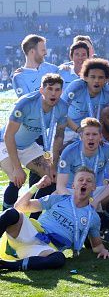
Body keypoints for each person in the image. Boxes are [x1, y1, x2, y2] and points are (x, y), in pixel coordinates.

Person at [0, 168, 109, 271]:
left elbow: (96, 245)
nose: (84, 182)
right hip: (31, 232)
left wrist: (102, 250)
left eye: (89, 181)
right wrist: (37, 186)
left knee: (58, 258)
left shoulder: (93, 217)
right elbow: (20, 206)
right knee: (12, 213)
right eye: (80, 180)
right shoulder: (58, 199)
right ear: (73, 185)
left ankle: (6, 265)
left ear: (94, 187)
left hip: (46, 249)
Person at [0, 74, 69, 210]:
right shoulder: (26, 103)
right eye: (49, 89)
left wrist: (54, 164)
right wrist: (18, 168)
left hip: (28, 146)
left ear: (61, 91)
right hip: (5, 143)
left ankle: (33, 220)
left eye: (57, 90)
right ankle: (6, 216)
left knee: (52, 178)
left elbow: (59, 136)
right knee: (17, 179)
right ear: (41, 90)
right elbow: (9, 135)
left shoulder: (62, 106)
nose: (53, 93)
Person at [56, 117, 109, 242]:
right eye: (87, 134)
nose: (91, 138)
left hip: (95, 190)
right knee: (55, 196)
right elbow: (60, 186)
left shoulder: (107, 149)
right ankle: (61, 230)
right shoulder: (69, 151)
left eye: (95, 134)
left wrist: (96, 200)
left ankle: (106, 224)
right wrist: (74, 202)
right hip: (73, 191)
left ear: (100, 136)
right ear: (81, 136)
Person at [62, 58, 109, 143]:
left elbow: (107, 117)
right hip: (70, 130)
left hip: (94, 133)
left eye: (101, 77)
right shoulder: (76, 87)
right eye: (93, 77)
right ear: (86, 77)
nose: (96, 81)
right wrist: (78, 130)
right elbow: (60, 111)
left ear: (106, 79)